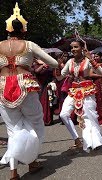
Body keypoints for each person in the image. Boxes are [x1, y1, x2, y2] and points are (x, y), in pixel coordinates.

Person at [0, 3, 58, 179]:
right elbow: (54, 63)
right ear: (23, 30)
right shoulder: (29, 45)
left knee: (13, 130)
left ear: (8, 30)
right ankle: (32, 162)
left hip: (3, 87)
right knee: (34, 124)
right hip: (26, 86)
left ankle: (13, 172)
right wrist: (33, 64)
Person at [58, 39, 102, 152]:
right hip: (74, 90)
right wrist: (58, 64)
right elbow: (61, 75)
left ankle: (92, 142)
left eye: (75, 47)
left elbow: (100, 72)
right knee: (63, 115)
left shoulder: (88, 60)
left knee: (88, 117)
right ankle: (77, 140)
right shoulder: (70, 62)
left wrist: (91, 58)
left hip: (87, 90)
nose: (73, 49)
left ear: (82, 49)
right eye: (72, 47)